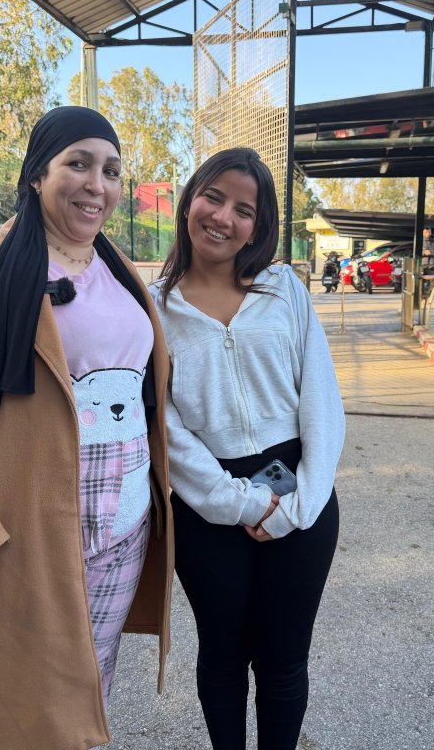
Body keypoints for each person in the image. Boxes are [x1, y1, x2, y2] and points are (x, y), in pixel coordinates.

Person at [0, 106, 174, 750]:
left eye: (110, 170)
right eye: (77, 163)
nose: (95, 184)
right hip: (28, 538)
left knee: (86, 690)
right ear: (37, 175)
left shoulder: (119, 271)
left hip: (125, 526)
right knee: (21, 711)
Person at [150, 148, 345, 750]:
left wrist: (298, 503)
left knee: (284, 660)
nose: (223, 217)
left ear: (259, 227)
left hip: (297, 485)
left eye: (244, 209)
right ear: (189, 201)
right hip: (208, 503)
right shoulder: (155, 309)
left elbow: (322, 399)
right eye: (213, 196)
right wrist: (236, 502)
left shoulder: (283, 289)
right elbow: (166, 423)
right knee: (224, 655)